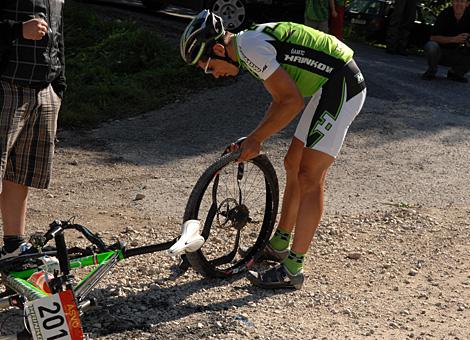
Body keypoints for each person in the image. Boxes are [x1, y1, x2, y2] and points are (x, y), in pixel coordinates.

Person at [180, 10, 366, 289]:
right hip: (326, 85)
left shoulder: (250, 48)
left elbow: (291, 102)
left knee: (310, 177)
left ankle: (293, 269)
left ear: (219, 49)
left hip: (341, 85)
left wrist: (256, 139)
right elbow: (280, 99)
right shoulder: (247, 47)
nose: (213, 75)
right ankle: (280, 243)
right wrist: (254, 138)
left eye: (207, 67)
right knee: (292, 163)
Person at [0, 1, 66, 259]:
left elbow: (59, 37)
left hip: (44, 90)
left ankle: (13, 246)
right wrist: (17, 30)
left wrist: (59, 86)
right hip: (5, 86)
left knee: (20, 173)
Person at [422, 0, 470, 83]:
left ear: (467, 4)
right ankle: (432, 70)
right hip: (439, 52)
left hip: (456, 53)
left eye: (462, 1)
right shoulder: (445, 13)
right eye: (456, 1)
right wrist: (454, 39)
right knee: (431, 46)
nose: (459, 4)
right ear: (452, 2)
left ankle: (456, 73)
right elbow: (433, 38)